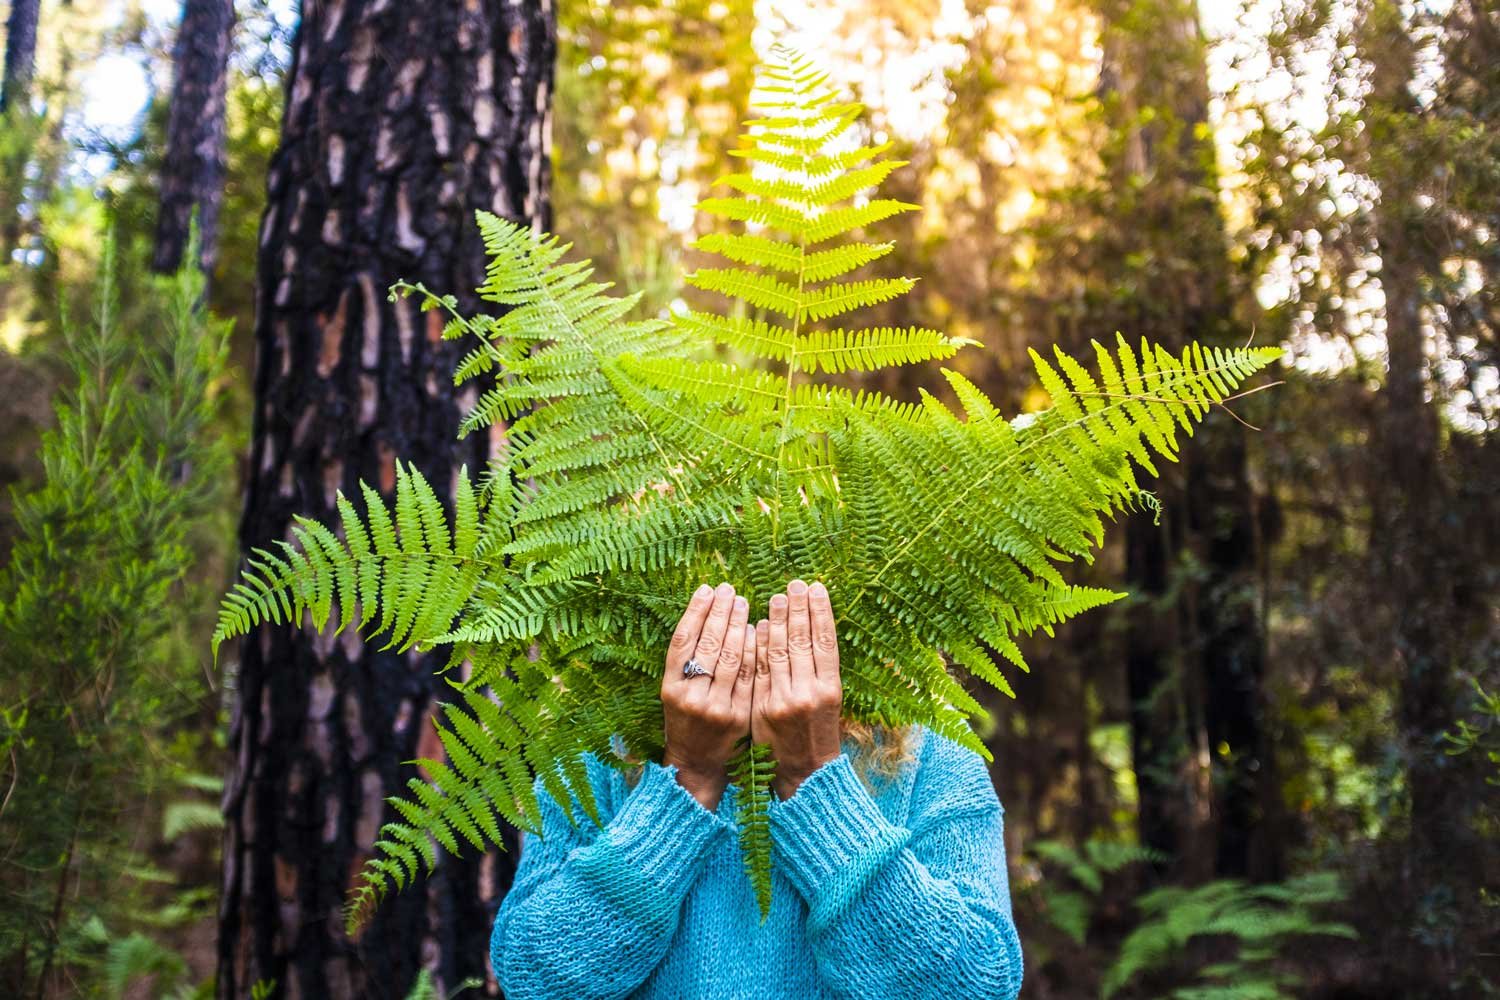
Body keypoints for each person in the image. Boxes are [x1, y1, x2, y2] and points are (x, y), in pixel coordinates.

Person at [490, 578, 1025, 999]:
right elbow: (536, 976)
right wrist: (688, 777)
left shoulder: (922, 748)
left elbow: (975, 983)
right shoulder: (604, 746)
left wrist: (813, 777)